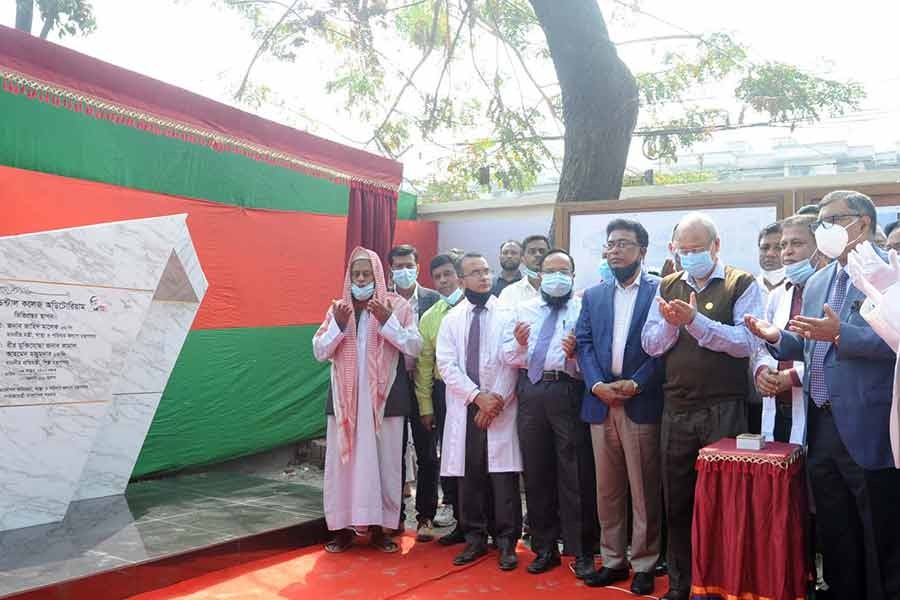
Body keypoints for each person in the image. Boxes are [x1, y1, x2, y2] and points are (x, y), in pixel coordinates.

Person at [747, 191, 900, 600]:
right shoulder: (818, 281)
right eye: (821, 222)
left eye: (833, 220)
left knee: (878, 530)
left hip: (869, 423)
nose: (824, 229)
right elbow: (811, 343)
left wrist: (840, 334)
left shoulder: (889, 276)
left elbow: (892, 342)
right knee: (836, 527)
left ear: (863, 223)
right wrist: (777, 337)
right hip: (820, 422)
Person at [642, 212, 764, 600]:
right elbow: (651, 344)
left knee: (724, 506)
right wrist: (671, 324)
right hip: (676, 406)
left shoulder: (740, 282)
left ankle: (724, 585)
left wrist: (695, 321)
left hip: (723, 408)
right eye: (684, 249)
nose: (689, 256)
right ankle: (681, 584)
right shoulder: (667, 284)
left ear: (716, 246)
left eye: (697, 249)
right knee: (677, 501)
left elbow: (747, 343)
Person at [312, 247, 422, 554]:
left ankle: (380, 530)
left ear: (378, 275)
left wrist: (388, 321)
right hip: (345, 404)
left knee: (385, 466)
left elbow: (415, 346)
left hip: (384, 403)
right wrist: (336, 323)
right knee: (342, 467)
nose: (361, 279)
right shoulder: (338, 308)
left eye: (367, 274)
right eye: (356, 274)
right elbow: (320, 351)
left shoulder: (397, 306)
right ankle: (342, 529)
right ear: (349, 277)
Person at [576, 220, 664, 596]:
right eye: (610, 244)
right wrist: (597, 384)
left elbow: (666, 346)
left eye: (624, 244)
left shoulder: (661, 291)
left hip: (639, 400)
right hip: (600, 401)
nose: (615, 251)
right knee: (607, 488)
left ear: (642, 250)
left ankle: (645, 562)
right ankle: (612, 560)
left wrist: (637, 382)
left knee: (643, 488)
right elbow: (583, 342)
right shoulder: (594, 294)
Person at [500, 249, 594, 579]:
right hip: (531, 391)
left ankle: (581, 551)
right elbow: (507, 355)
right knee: (537, 473)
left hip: (568, 389)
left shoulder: (584, 309)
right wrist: (520, 344)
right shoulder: (522, 310)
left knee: (574, 473)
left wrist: (575, 356)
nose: (556, 277)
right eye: (550, 270)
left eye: (563, 271)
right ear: (539, 274)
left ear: (572, 275)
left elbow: (591, 364)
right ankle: (544, 548)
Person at [437, 252, 522, 571]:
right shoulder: (452, 319)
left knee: (502, 479)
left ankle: (506, 542)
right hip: (467, 408)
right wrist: (476, 397)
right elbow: (447, 365)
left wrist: (494, 400)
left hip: (500, 408)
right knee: (470, 476)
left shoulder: (508, 313)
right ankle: (474, 538)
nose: (484, 277)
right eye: (475, 272)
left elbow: (512, 361)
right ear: (461, 280)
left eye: (486, 271)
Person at [752, 215, 821, 443]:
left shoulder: (829, 291)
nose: (786, 252)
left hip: (818, 409)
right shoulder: (778, 294)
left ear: (819, 248)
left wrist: (791, 377)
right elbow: (764, 346)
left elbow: (827, 351)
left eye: (797, 244)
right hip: (778, 405)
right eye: (784, 245)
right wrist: (761, 371)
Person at [387, 244, 440, 539]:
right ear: (390, 270)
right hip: (393, 383)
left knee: (427, 452)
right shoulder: (383, 301)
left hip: (426, 386)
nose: (403, 271)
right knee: (393, 452)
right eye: (397, 266)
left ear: (418, 268)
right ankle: (394, 515)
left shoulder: (434, 300)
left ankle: (426, 516)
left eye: (408, 265)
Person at [414, 253, 466, 545]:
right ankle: (457, 520)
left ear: (460, 275)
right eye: (439, 277)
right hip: (442, 392)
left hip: (476, 394)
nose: (444, 281)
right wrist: (426, 406)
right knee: (447, 457)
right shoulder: (431, 316)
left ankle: (485, 524)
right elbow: (423, 365)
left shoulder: (480, 306)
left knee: (476, 457)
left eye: (449, 274)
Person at [498, 235, 550, 306]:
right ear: (522, 259)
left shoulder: (560, 289)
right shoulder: (509, 293)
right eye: (532, 252)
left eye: (542, 251)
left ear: (550, 257)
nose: (538, 255)